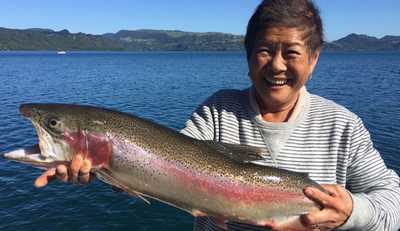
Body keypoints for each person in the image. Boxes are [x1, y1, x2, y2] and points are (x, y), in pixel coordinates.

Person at [35, 0, 400, 230]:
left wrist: (351, 210)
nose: (276, 65)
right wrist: (100, 172)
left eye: (291, 53)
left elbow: (392, 202)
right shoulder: (216, 111)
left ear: (315, 58)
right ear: (247, 55)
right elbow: (160, 168)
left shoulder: (343, 126)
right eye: (263, 50)